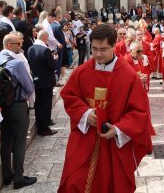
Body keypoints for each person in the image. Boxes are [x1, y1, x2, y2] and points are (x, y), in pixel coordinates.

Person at [59, 24, 153, 192]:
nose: (97, 54)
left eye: (103, 49)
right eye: (94, 49)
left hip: (112, 144)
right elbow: (69, 96)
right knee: (75, 180)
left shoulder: (128, 76)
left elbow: (140, 111)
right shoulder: (82, 72)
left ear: (114, 45)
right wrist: (85, 113)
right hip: (84, 139)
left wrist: (118, 129)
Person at [0, 34, 37, 189]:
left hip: (2, 107)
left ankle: (7, 175)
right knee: (20, 141)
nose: (21, 44)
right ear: (9, 45)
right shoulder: (16, 64)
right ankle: (18, 178)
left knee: (5, 140)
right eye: (18, 43)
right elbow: (29, 87)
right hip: (18, 106)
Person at [27, 30, 58, 136]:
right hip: (46, 81)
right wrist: (55, 59)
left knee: (39, 104)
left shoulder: (30, 48)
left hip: (36, 79)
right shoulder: (45, 50)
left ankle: (41, 124)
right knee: (45, 104)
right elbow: (52, 66)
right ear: (45, 38)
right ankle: (44, 128)